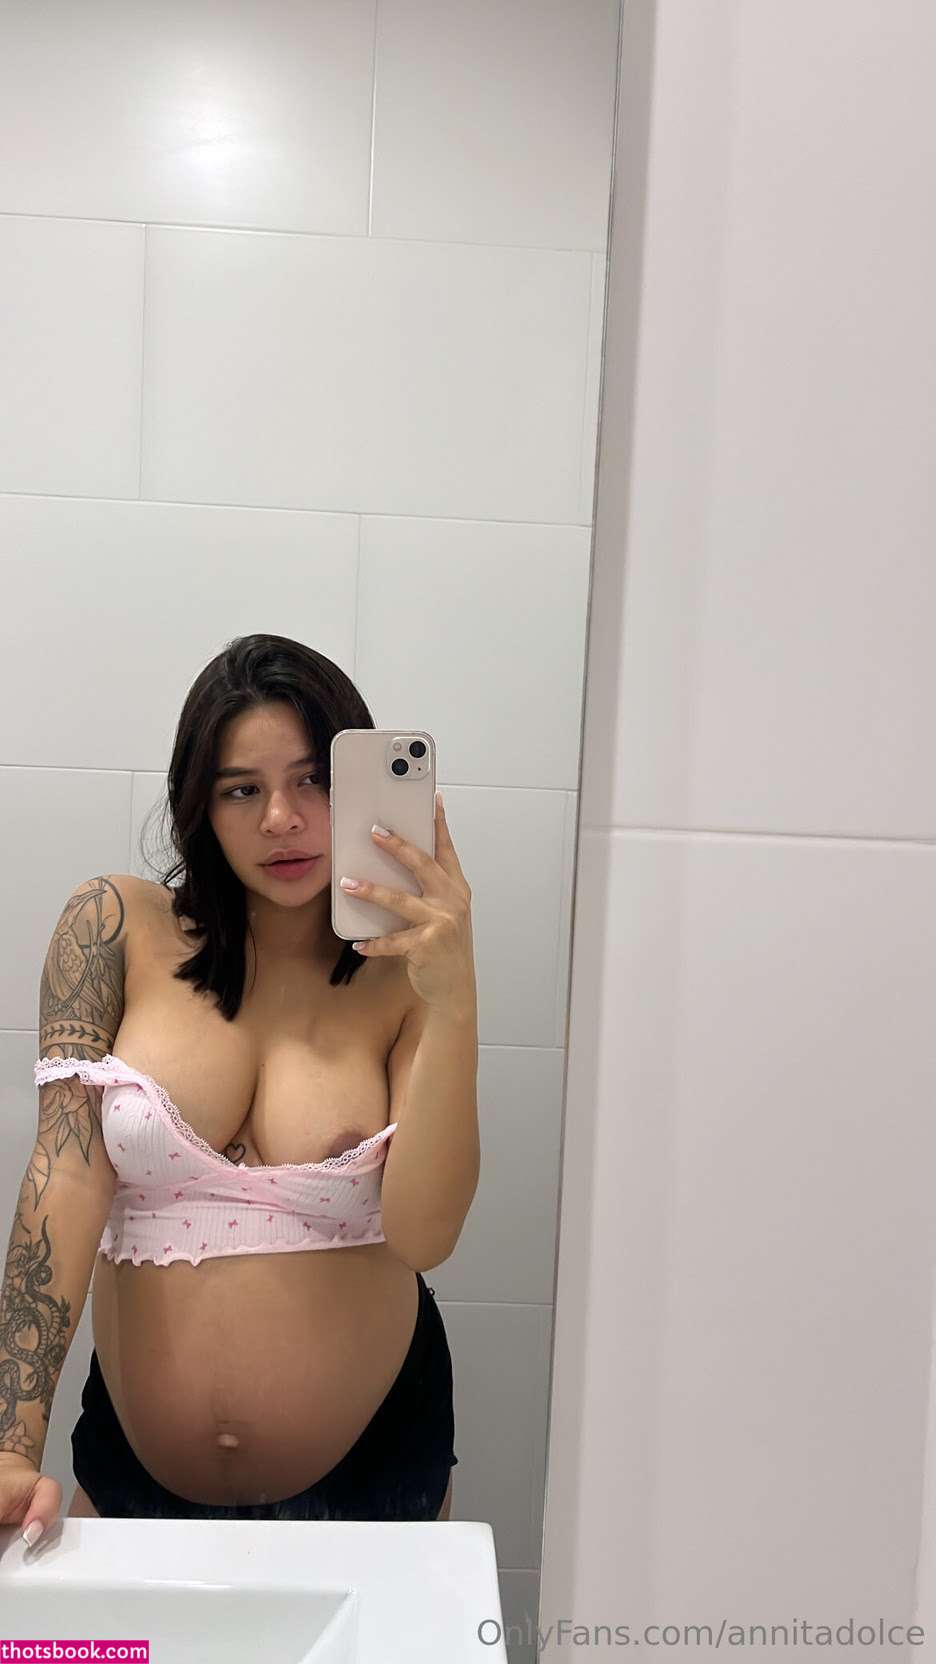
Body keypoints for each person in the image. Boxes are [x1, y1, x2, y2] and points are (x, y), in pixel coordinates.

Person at [0, 634, 480, 1537]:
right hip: (129, 1471)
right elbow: (63, 1179)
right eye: (242, 789)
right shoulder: (113, 926)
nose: (281, 820)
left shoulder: (409, 976)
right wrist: (9, 1445)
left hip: (374, 1478)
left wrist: (455, 1000)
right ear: (199, 804)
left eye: (313, 781)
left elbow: (427, 1233)